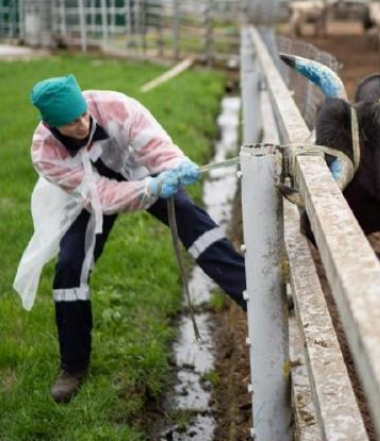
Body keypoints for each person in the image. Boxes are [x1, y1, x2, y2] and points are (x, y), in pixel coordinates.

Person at [13, 74, 247, 404]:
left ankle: (249, 290)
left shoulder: (117, 106)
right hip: (87, 195)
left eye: (83, 115)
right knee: (69, 267)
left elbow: (156, 146)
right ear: (51, 125)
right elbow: (103, 196)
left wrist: (176, 166)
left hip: (140, 171)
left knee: (193, 221)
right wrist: (147, 191)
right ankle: (73, 366)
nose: (82, 124)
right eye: (71, 123)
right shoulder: (44, 154)